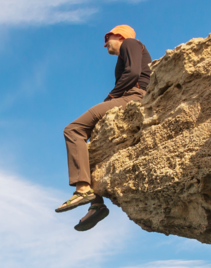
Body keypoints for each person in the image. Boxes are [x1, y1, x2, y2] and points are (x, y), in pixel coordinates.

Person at [56, 24, 152, 231]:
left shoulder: (131, 43)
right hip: (129, 96)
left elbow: (134, 73)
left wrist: (110, 97)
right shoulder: (125, 52)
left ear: (118, 36)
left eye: (107, 39)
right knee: (89, 149)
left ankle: (82, 190)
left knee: (73, 130)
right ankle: (96, 205)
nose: (105, 44)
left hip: (133, 97)